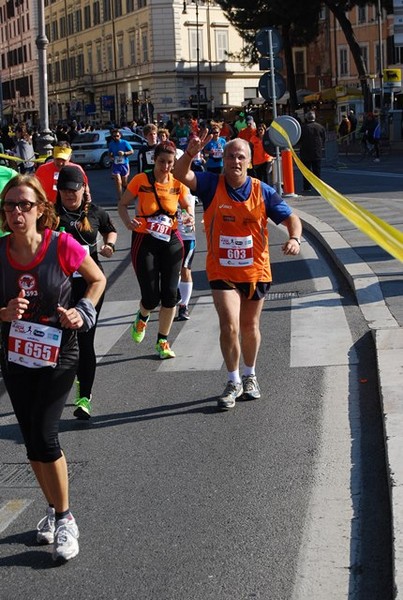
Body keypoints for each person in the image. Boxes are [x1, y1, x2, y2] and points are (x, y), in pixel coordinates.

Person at [0, 175, 106, 562]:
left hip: (60, 353)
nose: (16, 212)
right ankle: (51, 508)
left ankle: (65, 519)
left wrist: (82, 311)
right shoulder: (0, 252)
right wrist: (4, 312)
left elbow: (96, 279)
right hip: (15, 355)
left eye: (24, 205)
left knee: (45, 436)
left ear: (41, 209)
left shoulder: (61, 244)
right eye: (10, 205)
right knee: (31, 442)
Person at [173, 133, 302, 410]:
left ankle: (250, 374)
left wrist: (294, 238)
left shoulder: (263, 191)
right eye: (230, 155)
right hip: (222, 271)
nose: (235, 160)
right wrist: (190, 154)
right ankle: (233, 380)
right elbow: (181, 174)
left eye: (241, 156)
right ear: (224, 159)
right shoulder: (210, 184)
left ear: (249, 161)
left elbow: (291, 217)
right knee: (229, 325)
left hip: (255, 271)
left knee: (250, 327)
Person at [118, 141, 194, 359]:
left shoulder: (177, 181)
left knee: (170, 294)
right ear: (154, 160)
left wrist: (188, 215)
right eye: (162, 162)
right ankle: (142, 317)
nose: (167, 167)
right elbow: (122, 204)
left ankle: (163, 341)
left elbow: (187, 204)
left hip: (171, 239)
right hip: (145, 239)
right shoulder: (141, 180)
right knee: (151, 298)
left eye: (171, 163)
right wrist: (127, 222)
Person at [54, 165, 117, 419]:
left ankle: (84, 397)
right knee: (58, 340)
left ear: (83, 189)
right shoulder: (50, 216)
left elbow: (110, 229)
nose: (70, 195)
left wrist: (110, 244)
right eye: (65, 190)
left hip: (91, 285)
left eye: (74, 190)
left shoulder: (96, 213)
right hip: (58, 286)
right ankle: (54, 391)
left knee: (85, 340)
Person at [176, 192, 197, 321]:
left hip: (187, 238)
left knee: (185, 269)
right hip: (170, 237)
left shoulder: (187, 195)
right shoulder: (164, 190)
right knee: (172, 270)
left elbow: (186, 215)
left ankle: (184, 306)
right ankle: (179, 291)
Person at [298, 111, 326, 193]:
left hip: (305, 152)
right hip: (317, 152)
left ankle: (307, 187)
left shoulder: (303, 128)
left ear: (306, 118)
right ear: (315, 117)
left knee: (306, 172)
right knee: (317, 171)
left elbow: (299, 140)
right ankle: (318, 187)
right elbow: (323, 138)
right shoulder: (320, 127)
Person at [108, 128, 134, 201]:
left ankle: (130, 192)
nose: (116, 138)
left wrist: (124, 153)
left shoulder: (125, 143)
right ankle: (120, 199)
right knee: (118, 181)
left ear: (120, 136)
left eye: (117, 136)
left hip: (124, 164)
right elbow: (109, 153)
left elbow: (132, 151)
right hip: (116, 165)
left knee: (124, 183)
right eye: (114, 136)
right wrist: (111, 157)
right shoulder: (111, 144)